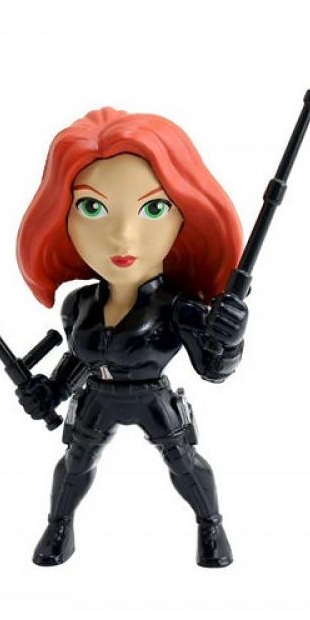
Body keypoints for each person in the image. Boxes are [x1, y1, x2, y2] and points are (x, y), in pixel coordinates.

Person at [16, 107, 248, 567]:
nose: (122, 236)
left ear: (185, 216)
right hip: (97, 396)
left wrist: (229, 338)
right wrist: (52, 391)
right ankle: (59, 525)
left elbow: (212, 368)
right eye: (92, 208)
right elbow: (78, 358)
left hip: (152, 396)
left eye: (154, 208)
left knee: (182, 461)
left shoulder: (178, 307)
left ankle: (211, 525)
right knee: (75, 463)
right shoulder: (80, 304)